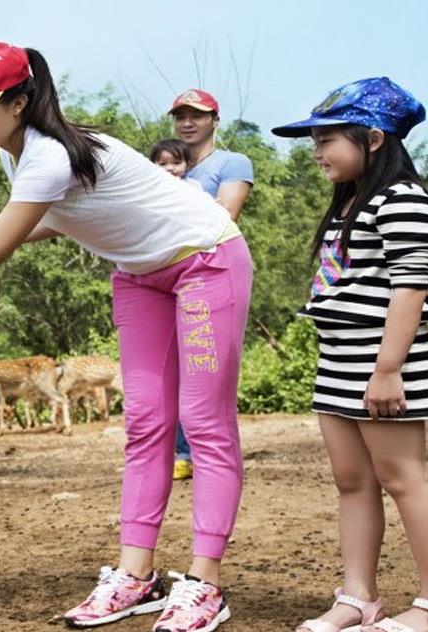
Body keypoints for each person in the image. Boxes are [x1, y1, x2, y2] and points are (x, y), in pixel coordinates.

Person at [0, 42, 251, 631]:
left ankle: (204, 583)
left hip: (205, 261)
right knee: (146, 422)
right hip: (138, 275)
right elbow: (54, 222)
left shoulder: (51, 156)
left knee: (203, 423)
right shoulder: (20, 155)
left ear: (20, 102)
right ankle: (137, 576)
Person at [274, 77, 428, 632]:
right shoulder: (353, 203)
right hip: (340, 359)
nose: (316, 152)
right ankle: (358, 597)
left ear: (374, 139)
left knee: (404, 477)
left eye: (327, 139)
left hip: (383, 363)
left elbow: (410, 288)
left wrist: (387, 371)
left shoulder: (404, 199)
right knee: (352, 481)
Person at [168, 89, 255, 481]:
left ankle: (211, 454)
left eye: (197, 116)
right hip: (165, 273)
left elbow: (226, 214)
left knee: (207, 368)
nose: (188, 122)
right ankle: (179, 453)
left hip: (211, 272)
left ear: (214, 120)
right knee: (169, 370)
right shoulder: (166, 163)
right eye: (181, 116)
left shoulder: (232, 162)